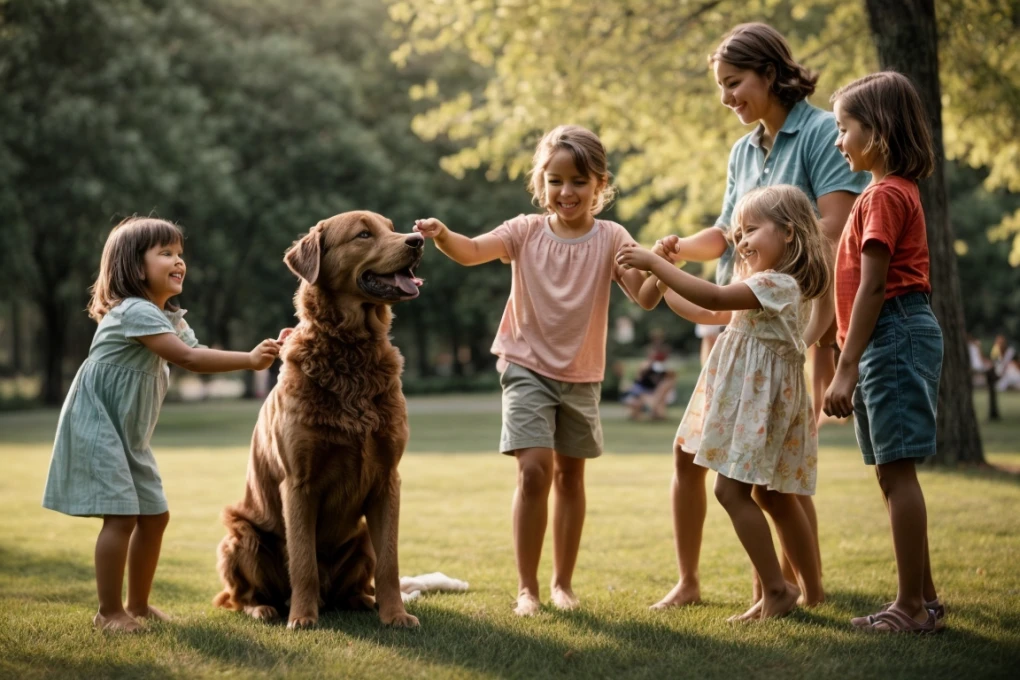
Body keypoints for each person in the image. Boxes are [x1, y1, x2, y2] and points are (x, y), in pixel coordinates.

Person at [641, 22, 868, 610]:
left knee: (774, 473)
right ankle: (696, 582)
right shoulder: (743, 149)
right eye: (721, 86)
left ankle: (793, 588)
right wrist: (674, 252)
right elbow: (725, 233)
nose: (727, 98)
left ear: (770, 73)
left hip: (782, 320)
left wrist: (768, 276)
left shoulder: (822, 133)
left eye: (734, 82)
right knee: (697, 456)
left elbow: (834, 227)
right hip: (733, 322)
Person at [413, 125, 655, 615]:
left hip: (582, 374)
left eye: (579, 181)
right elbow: (472, 250)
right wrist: (442, 236)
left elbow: (645, 297)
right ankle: (528, 589)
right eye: (556, 180)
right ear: (540, 183)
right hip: (525, 365)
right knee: (533, 472)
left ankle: (562, 584)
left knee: (570, 477)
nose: (567, 192)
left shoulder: (613, 238)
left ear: (599, 185)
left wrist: (661, 266)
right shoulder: (523, 231)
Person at [42, 217, 283, 633]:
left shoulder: (167, 316)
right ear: (136, 268)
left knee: (154, 516)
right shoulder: (134, 311)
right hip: (98, 426)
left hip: (129, 436)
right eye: (166, 253)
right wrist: (249, 359)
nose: (178, 261)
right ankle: (109, 612)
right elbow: (187, 359)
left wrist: (268, 351)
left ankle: (138, 605)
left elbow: (199, 351)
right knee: (121, 517)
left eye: (180, 254)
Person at [619, 184, 830, 620]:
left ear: (789, 232)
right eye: (737, 234)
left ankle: (776, 590)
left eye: (750, 229)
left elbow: (713, 297)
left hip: (758, 405)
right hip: (760, 403)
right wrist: (664, 276)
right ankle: (813, 593)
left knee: (730, 491)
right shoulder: (767, 287)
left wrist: (657, 262)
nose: (741, 241)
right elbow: (706, 310)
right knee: (775, 497)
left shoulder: (778, 284)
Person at [826, 71, 944, 633]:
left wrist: (844, 369)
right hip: (884, 337)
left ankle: (911, 609)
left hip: (892, 333)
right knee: (888, 472)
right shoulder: (888, 194)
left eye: (844, 129)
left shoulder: (883, 195)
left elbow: (874, 286)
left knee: (898, 474)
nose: (838, 141)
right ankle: (924, 598)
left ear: (878, 132)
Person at [621, 328, 678, 421]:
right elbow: (638, 380)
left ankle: (653, 409)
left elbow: (671, 379)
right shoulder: (645, 365)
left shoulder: (667, 369)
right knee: (633, 412)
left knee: (659, 413)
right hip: (643, 392)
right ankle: (647, 408)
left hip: (655, 393)